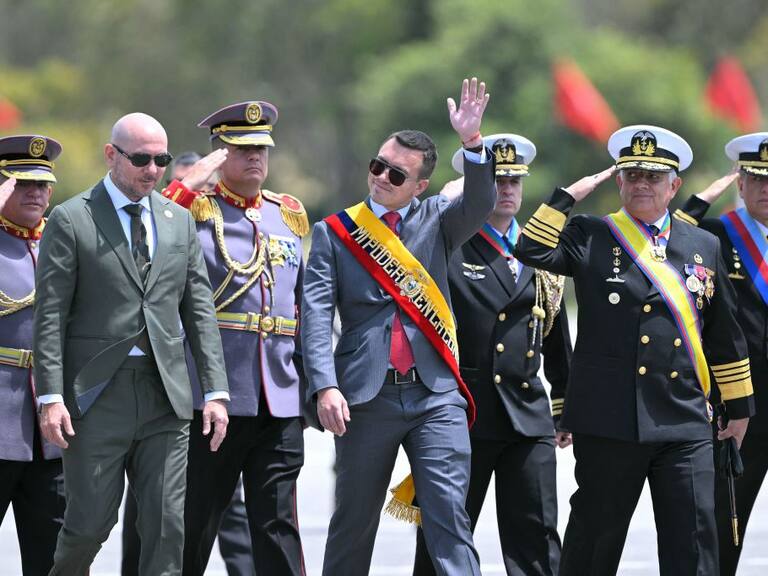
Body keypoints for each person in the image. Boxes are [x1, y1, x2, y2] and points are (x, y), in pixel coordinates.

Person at [515, 124, 755, 575]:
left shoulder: (702, 244)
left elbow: (724, 333)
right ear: (620, 182)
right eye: (633, 175)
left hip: (683, 420)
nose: (642, 184)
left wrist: (738, 409)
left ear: (674, 185)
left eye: (653, 176)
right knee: (593, 542)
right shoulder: (591, 234)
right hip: (608, 421)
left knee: (694, 544)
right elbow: (530, 249)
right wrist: (565, 198)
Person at [301, 77, 494, 576]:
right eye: (377, 166)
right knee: (354, 522)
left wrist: (473, 144)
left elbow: (480, 202)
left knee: (449, 516)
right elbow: (317, 316)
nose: (382, 177)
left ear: (420, 185)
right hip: (366, 398)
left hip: (435, 395)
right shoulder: (335, 232)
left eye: (396, 174)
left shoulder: (438, 219)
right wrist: (324, 385)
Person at [33, 112, 230, 575]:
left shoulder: (179, 220)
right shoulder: (71, 217)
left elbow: (198, 311)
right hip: (97, 393)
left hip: (167, 394)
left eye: (161, 158)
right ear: (111, 155)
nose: (153, 169)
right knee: (87, 526)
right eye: (141, 158)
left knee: (167, 527)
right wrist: (50, 396)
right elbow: (50, 316)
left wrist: (216, 391)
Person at [413, 133, 572, 576]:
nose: (506, 190)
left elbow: (554, 334)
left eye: (514, 181)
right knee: (444, 538)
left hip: (527, 415)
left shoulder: (538, 251)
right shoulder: (450, 244)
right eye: (496, 180)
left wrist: (564, 404)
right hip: (464, 415)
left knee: (536, 538)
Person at [161, 100, 308, 576]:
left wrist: (310, 383)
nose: (255, 158)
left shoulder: (288, 215)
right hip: (215, 396)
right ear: (220, 154)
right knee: (196, 520)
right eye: (241, 149)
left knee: (277, 525)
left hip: (279, 396)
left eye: (261, 148)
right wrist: (185, 187)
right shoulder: (193, 211)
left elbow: (302, 307)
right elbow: (144, 239)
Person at [121, 147, 254, 576]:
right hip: (162, 383)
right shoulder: (164, 221)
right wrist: (183, 187)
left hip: (217, 387)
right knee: (152, 505)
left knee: (229, 513)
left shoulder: (224, 224)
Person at [673, 131, 768, 575]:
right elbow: (667, 240)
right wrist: (698, 201)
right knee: (723, 521)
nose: (766, 188)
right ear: (740, 183)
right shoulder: (716, 234)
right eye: (756, 178)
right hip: (738, 408)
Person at [0, 135, 65, 575]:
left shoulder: (61, 246)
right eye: (22, 182)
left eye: (42, 184)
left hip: (51, 431)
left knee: (52, 555)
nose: (35, 192)